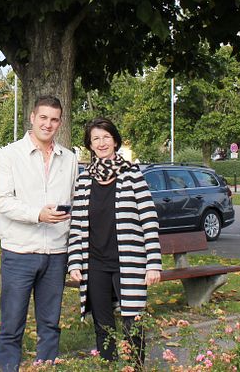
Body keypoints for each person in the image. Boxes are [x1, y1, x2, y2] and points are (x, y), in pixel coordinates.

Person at [0, 96, 79, 370]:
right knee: (11, 326)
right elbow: (3, 201)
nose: (48, 124)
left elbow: (75, 201)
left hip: (56, 253)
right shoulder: (9, 155)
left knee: (50, 324)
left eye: (54, 119)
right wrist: (37, 214)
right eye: (43, 117)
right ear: (32, 117)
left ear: (60, 122)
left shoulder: (70, 158)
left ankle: (46, 366)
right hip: (20, 252)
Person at [67, 117, 162, 365]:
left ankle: (134, 367)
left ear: (115, 141)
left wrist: (153, 263)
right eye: (95, 138)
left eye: (106, 137)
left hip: (128, 263)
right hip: (96, 263)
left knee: (132, 322)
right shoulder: (85, 178)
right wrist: (74, 263)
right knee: (102, 323)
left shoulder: (132, 175)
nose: (101, 143)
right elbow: (77, 224)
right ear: (89, 144)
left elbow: (149, 220)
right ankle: (108, 365)